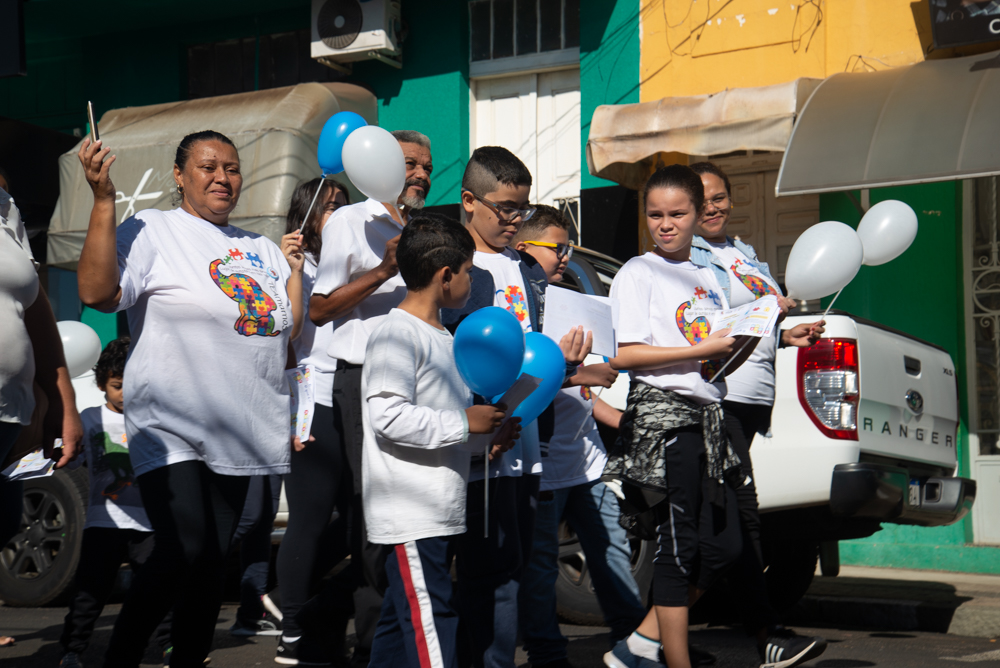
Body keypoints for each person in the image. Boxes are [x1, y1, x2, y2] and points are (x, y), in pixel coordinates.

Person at [76, 131, 304, 667]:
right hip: (171, 422)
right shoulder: (153, 228)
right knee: (185, 547)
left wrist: (295, 273)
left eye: (232, 168)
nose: (222, 177)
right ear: (179, 176)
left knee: (208, 565)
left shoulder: (261, 248)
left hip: (241, 426)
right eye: (208, 167)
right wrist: (104, 200)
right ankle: (120, 658)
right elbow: (97, 292)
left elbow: (285, 331)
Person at [440, 147, 591, 668]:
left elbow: (540, 353)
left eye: (522, 208)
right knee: (484, 573)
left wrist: (570, 361)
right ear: (468, 201)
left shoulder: (529, 271)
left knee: (515, 567)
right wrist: (486, 421)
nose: (514, 220)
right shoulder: (456, 268)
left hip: (525, 442)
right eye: (504, 208)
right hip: (479, 444)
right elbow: (456, 355)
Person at [603, 164, 749, 668]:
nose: (665, 225)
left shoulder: (707, 276)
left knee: (725, 544)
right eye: (655, 215)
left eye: (677, 214)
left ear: (698, 213)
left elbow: (713, 361)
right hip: (664, 421)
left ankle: (640, 645)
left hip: (708, 419)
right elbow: (625, 355)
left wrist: (745, 343)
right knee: (677, 546)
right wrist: (703, 350)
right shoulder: (638, 272)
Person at [363, 213, 519, 668]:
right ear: (445, 275)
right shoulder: (395, 333)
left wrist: (485, 441)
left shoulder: (444, 337)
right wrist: (465, 424)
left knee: (399, 629)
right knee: (432, 625)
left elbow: (441, 424)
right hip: (411, 512)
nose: (473, 279)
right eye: (469, 270)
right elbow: (388, 418)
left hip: (437, 509)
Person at [689, 161, 827, 668]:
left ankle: (649, 638)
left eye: (720, 197)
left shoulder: (742, 252)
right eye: (702, 199)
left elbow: (754, 322)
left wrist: (786, 334)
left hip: (751, 403)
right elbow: (707, 322)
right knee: (736, 523)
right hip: (718, 398)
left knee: (727, 524)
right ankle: (767, 633)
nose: (713, 207)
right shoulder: (689, 257)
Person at [306, 129, 433, 667]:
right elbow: (319, 309)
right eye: (409, 163)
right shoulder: (350, 221)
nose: (420, 174)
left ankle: (362, 627)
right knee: (374, 512)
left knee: (407, 510)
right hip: (363, 380)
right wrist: (384, 270)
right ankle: (371, 643)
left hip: (417, 381)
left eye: (427, 166)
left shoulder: (418, 229)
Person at [512, 206, 646, 668]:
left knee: (613, 549)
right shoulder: (522, 308)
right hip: (545, 466)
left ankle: (635, 643)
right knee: (540, 565)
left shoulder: (567, 302)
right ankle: (547, 654)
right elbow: (529, 383)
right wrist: (579, 372)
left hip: (587, 461)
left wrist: (620, 419)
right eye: (557, 247)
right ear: (524, 247)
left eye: (567, 247)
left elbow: (585, 396)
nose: (566, 256)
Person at [275, 177, 354, 666]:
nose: (338, 213)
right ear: (306, 215)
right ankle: (291, 626)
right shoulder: (293, 263)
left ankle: (296, 598)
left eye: (344, 205)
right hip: (311, 398)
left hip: (352, 398)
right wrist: (292, 272)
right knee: (309, 516)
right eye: (328, 207)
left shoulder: (352, 260)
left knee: (356, 519)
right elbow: (289, 335)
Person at [0, 179, 82, 651]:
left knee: (4, 520)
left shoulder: (6, 209)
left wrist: (61, 398)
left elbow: (35, 309)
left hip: (9, 411)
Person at [59, 337, 173, 668]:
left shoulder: (154, 421)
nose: (124, 394)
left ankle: (171, 645)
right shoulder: (89, 419)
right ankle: (72, 650)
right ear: (101, 384)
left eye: (131, 385)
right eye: (117, 386)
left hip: (149, 523)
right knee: (89, 592)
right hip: (103, 522)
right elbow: (71, 460)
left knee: (159, 588)